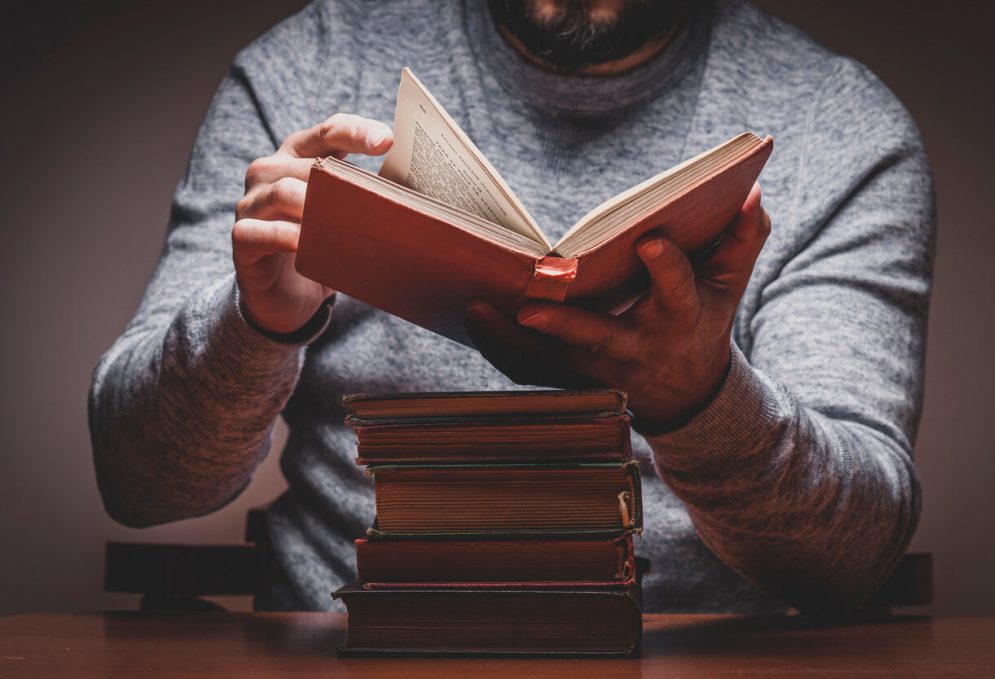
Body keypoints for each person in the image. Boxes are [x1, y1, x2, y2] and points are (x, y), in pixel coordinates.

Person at [89, 0, 934, 614]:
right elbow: (141, 481)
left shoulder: (839, 124)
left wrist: (700, 399)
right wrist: (257, 322)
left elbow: (852, 555)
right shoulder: (305, 69)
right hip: (350, 651)